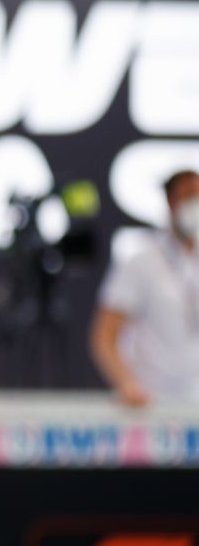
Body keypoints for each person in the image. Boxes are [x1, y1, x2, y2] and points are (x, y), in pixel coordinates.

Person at [90, 169, 199, 405]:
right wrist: (126, 383)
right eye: (189, 196)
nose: (195, 204)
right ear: (171, 202)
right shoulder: (141, 263)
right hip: (152, 404)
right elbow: (105, 335)